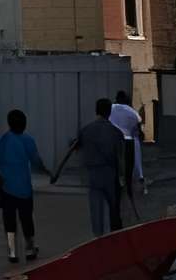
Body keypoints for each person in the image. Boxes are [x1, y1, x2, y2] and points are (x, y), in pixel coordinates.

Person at [53, 97, 128, 239]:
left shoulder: (86, 130)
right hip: (110, 173)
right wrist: (122, 177)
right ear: (110, 112)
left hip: (93, 173)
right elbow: (120, 158)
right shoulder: (116, 132)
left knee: (96, 207)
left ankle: (97, 237)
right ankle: (115, 236)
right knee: (114, 206)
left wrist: (56, 174)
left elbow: (73, 148)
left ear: (96, 110)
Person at [0, 107, 47, 264]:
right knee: (27, 219)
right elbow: (36, 161)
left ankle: (12, 252)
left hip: (7, 189)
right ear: (24, 124)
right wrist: (48, 172)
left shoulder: (3, 140)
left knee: (9, 220)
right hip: (25, 189)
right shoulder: (28, 140)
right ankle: (29, 248)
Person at [108, 93, 146, 214]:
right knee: (132, 166)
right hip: (130, 142)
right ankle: (132, 186)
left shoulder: (111, 108)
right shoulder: (132, 112)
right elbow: (138, 130)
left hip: (113, 141)